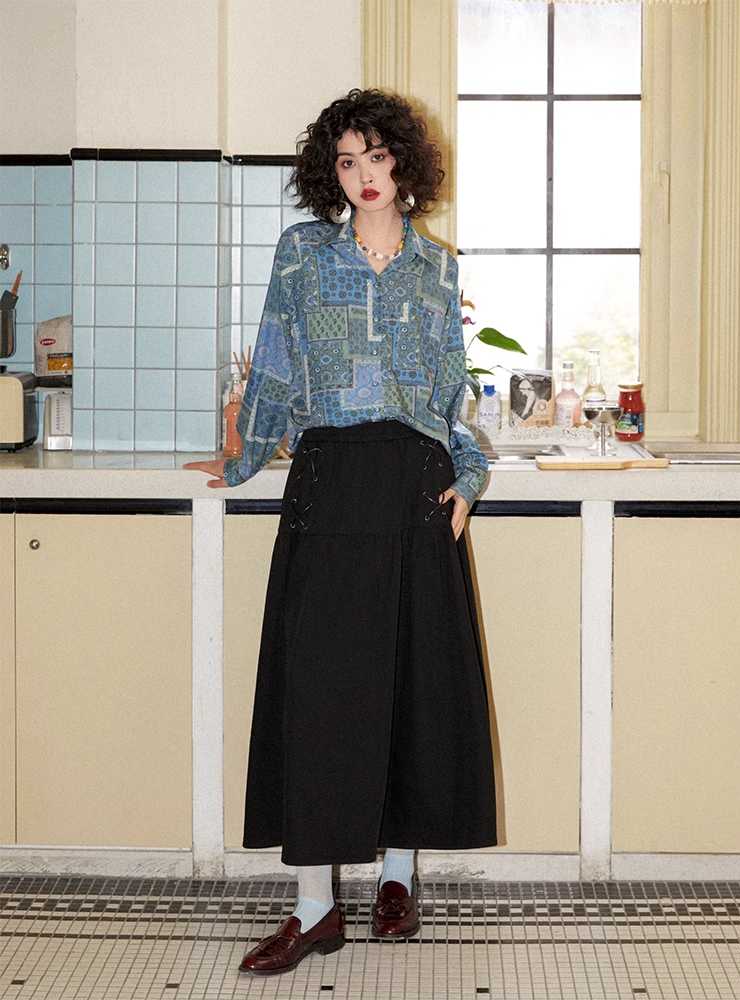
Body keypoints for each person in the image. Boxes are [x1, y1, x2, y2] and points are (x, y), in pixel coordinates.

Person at [184, 87, 497, 977]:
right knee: (321, 695)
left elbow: (449, 392)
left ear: (404, 163)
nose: (364, 175)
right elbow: (277, 367)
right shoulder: (303, 253)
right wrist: (242, 458)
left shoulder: (437, 268)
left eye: (377, 157)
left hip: (417, 490)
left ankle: (397, 879)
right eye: (347, 161)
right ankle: (315, 907)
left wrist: (468, 477)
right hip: (329, 482)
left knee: (410, 686)